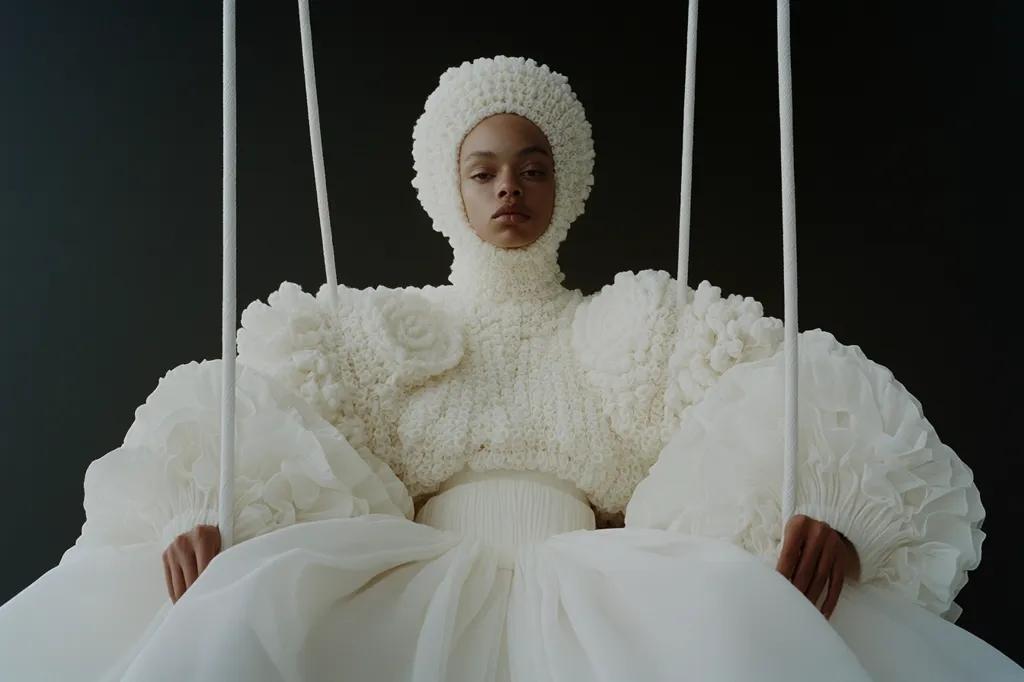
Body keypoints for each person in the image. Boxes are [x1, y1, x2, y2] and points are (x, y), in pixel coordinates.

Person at [0, 55, 1019, 682]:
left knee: (735, 635)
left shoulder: (631, 332)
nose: (509, 191)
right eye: (483, 169)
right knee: (238, 630)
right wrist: (201, 506)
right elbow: (257, 427)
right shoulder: (371, 335)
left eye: (534, 167)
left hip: (602, 594)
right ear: (447, 186)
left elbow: (779, 404)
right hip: (402, 589)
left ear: (565, 182)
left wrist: (828, 504)